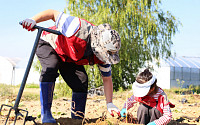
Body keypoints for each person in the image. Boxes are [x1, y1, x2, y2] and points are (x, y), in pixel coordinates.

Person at [21, 9, 121, 124]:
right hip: (49, 43)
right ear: (97, 45)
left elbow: (107, 79)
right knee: (51, 66)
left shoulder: (104, 56)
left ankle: (77, 118)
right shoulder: (76, 27)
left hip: (68, 55)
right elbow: (52, 13)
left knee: (81, 80)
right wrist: (33, 20)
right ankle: (46, 114)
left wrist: (110, 103)